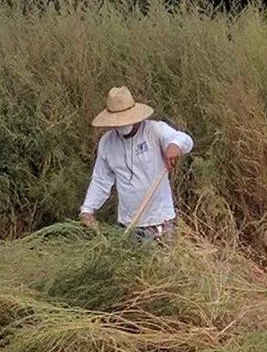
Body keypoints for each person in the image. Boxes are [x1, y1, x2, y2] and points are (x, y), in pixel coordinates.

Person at [79, 86, 194, 243]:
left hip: (160, 221)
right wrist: (87, 210)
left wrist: (174, 146)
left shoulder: (154, 131)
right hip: (128, 224)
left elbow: (183, 139)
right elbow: (101, 180)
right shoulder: (107, 142)